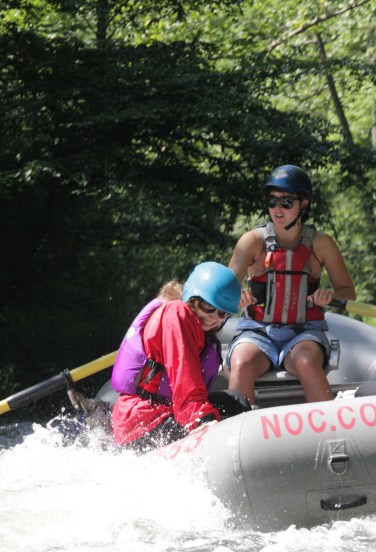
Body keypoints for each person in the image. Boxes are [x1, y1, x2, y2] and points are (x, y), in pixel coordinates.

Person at [227, 165, 356, 405]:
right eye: (272, 201)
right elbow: (224, 292)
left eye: (286, 202)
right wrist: (236, 296)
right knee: (241, 362)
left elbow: (348, 292)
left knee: (306, 361)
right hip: (257, 331)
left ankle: (327, 424)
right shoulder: (251, 242)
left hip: (304, 332)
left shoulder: (321, 243)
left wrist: (330, 295)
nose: (277, 209)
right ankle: (236, 422)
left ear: (304, 203)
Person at [110, 262, 249, 452]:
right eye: (208, 305)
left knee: (236, 400)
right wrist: (201, 418)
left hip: (164, 412)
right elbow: (184, 373)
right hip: (144, 422)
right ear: (192, 298)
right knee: (220, 414)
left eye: (222, 312)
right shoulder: (177, 313)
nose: (214, 317)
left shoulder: (198, 329)